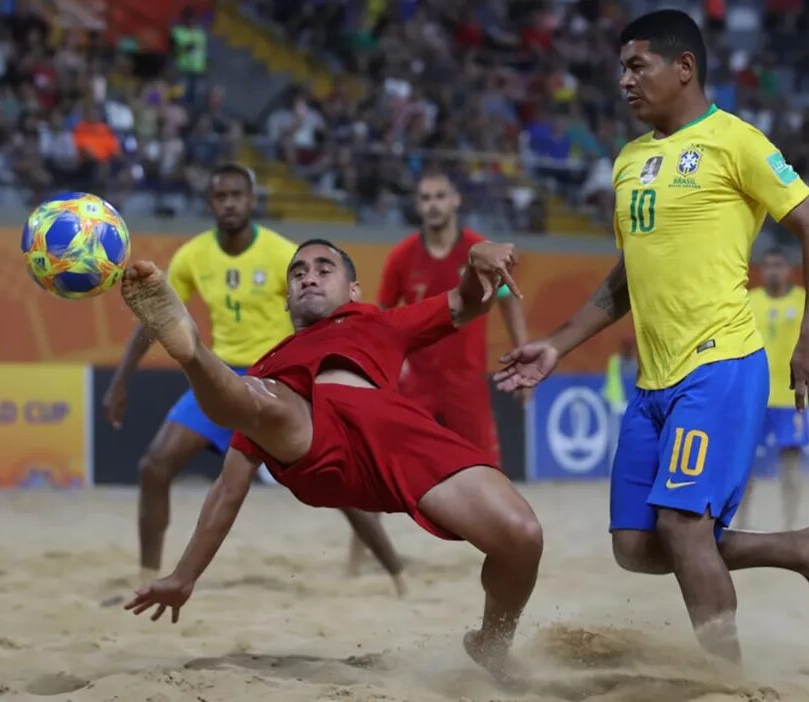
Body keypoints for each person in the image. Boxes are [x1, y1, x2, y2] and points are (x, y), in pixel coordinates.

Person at [493, 9, 809, 663]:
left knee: (684, 527)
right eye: (621, 68)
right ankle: (797, 547)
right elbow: (627, 277)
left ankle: (727, 681)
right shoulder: (629, 161)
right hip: (652, 385)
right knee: (634, 546)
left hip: (719, 368)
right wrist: (555, 345)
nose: (624, 81)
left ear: (683, 67)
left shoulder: (735, 140)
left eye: (637, 66)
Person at [119, 238, 543, 686]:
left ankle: (492, 644)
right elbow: (228, 488)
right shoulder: (271, 368)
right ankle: (193, 353)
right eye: (298, 273)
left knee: (522, 537)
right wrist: (184, 577)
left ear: (354, 290)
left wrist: (475, 265)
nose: (309, 276)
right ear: (287, 300)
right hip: (313, 440)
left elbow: (465, 303)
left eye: (324, 268)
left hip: (400, 439)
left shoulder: (379, 321)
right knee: (258, 399)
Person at [103, 163, 404, 591]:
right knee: (154, 466)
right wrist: (121, 380)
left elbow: (332, 309)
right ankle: (147, 575)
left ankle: (394, 570)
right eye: (221, 196)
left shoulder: (285, 255)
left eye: (237, 195)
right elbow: (155, 317)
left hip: (281, 379)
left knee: (338, 481)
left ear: (252, 200)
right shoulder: (193, 255)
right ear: (210, 203)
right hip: (221, 378)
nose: (229, 203)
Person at [343, 171, 532, 575]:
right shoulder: (402, 256)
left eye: (439, 196)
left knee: (490, 473)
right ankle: (357, 561)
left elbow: (507, 298)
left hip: (465, 382)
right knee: (376, 471)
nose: (432, 203)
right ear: (418, 204)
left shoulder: (478, 250)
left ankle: (506, 556)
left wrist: (521, 348)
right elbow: (381, 317)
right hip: (415, 383)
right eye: (425, 197)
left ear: (455, 200)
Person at [740, 248, 809, 531]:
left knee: (790, 466)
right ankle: (740, 524)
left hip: (790, 396)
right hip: (752, 396)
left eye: (778, 265)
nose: (772, 271)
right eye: (767, 265)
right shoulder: (749, 300)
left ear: (789, 270)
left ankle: (791, 525)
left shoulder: (804, 300)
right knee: (743, 466)